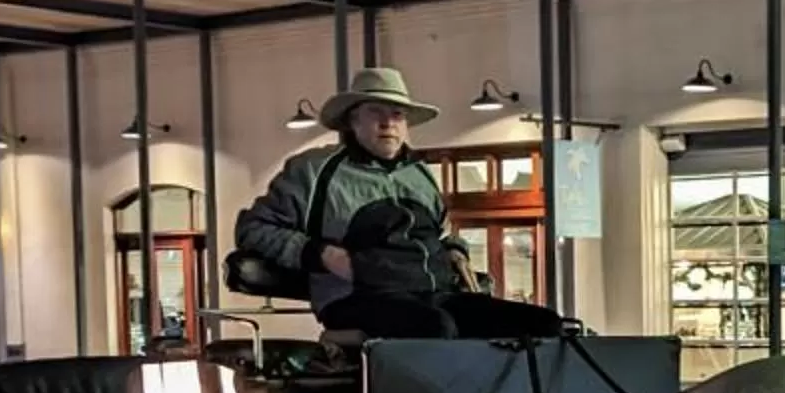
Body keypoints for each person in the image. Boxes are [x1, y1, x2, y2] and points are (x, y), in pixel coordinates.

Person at [235, 66, 566, 339]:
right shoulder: (312, 171)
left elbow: (443, 232)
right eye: (375, 112)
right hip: (356, 296)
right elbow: (253, 228)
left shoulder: (419, 175)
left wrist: (454, 250)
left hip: (430, 291)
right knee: (435, 328)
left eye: (396, 114)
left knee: (544, 325)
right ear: (353, 121)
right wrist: (322, 254)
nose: (387, 123)